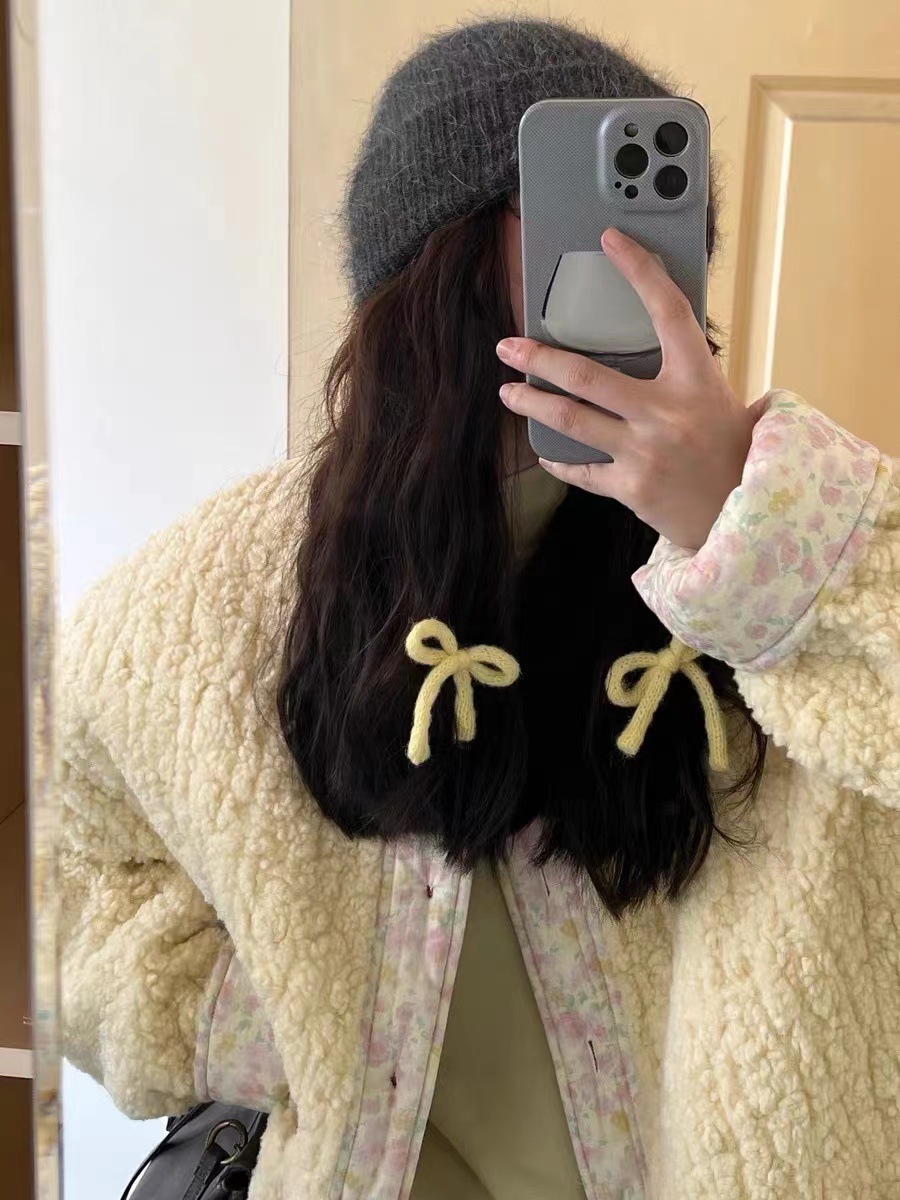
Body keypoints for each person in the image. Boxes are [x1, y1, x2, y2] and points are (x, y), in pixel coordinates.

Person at [59, 16, 899, 1200]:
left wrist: (752, 533)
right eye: (560, 204)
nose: (614, 256)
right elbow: (71, 873)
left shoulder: (805, 535)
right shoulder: (215, 599)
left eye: (652, 219)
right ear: (425, 276)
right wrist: (255, 1022)